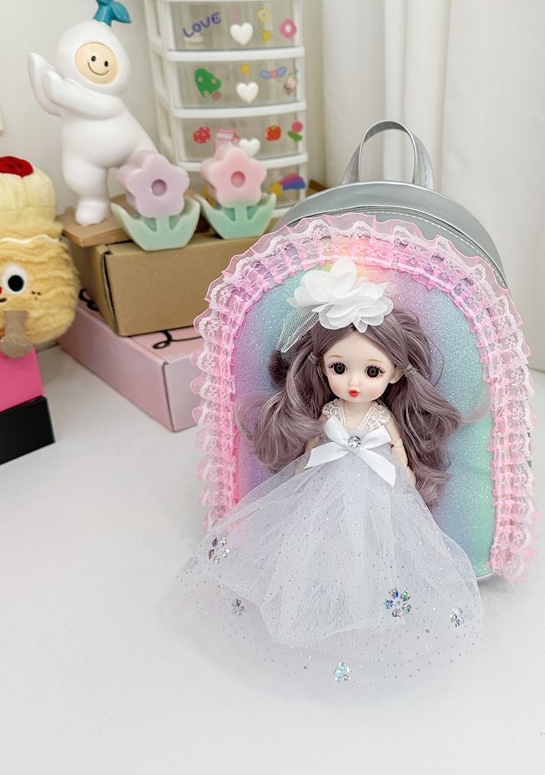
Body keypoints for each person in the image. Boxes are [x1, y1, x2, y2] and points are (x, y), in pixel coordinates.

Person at [179, 259, 483, 683]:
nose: (354, 382)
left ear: (395, 373)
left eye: (372, 371)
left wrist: (408, 477)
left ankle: (367, 603)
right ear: (322, 366)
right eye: (339, 368)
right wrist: (302, 469)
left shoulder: (380, 416)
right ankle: (325, 597)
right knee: (321, 541)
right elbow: (312, 444)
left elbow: (397, 449)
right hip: (327, 484)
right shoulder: (330, 410)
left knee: (375, 544)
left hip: (377, 490)